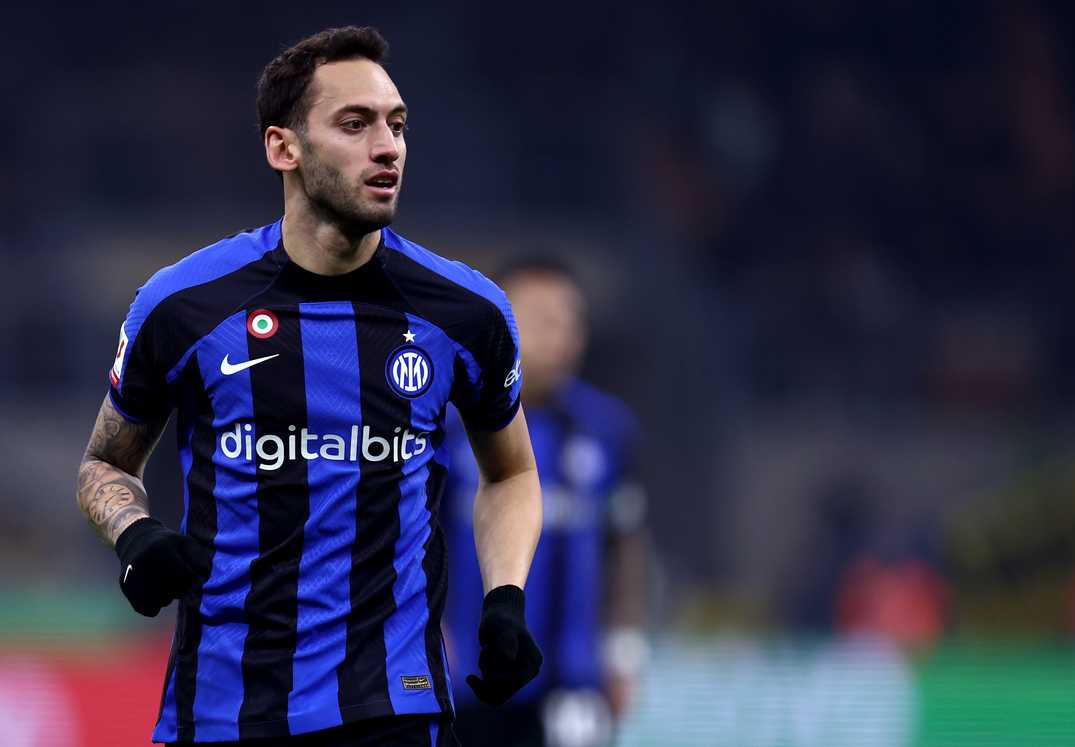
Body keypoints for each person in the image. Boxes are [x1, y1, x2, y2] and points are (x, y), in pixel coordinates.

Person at [75, 26, 543, 746]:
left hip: (392, 703)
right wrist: (134, 533)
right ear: (282, 148)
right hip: (223, 709)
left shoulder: (466, 310)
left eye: (397, 124)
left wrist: (505, 597)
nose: (387, 146)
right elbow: (105, 461)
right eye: (354, 124)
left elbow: (510, 471)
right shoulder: (184, 305)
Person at [442, 259, 650, 747]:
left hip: (571, 683)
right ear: (499, 323)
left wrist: (623, 653)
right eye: (540, 318)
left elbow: (625, 544)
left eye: (570, 321)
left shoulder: (607, 429)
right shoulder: (448, 424)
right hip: (459, 680)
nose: (561, 336)